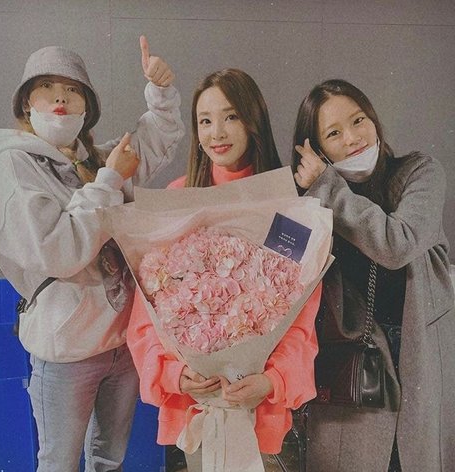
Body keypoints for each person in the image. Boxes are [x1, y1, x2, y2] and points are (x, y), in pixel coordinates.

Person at [0, 37, 184, 472]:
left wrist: (161, 90)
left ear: (87, 106)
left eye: (72, 90)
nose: (60, 98)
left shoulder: (96, 160)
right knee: (59, 462)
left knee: (109, 458)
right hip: (66, 352)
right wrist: (109, 181)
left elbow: (153, 139)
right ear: (26, 102)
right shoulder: (15, 165)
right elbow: (58, 250)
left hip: (122, 343)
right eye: (47, 87)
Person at [127, 68, 323, 471]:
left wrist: (272, 381)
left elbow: (302, 320)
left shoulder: (287, 205)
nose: (216, 132)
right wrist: (175, 374)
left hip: (263, 410)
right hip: (196, 408)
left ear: (253, 120)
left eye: (231, 116)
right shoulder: (177, 198)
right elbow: (144, 317)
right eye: (205, 120)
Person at [292, 78, 455, 472]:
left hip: (418, 355)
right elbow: (286, 281)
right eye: (333, 133)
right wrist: (316, 196)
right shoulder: (312, 201)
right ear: (316, 149)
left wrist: (329, 188)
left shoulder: (419, 172)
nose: (352, 138)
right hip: (353, 374)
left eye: (358, 120)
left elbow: (397, 244)